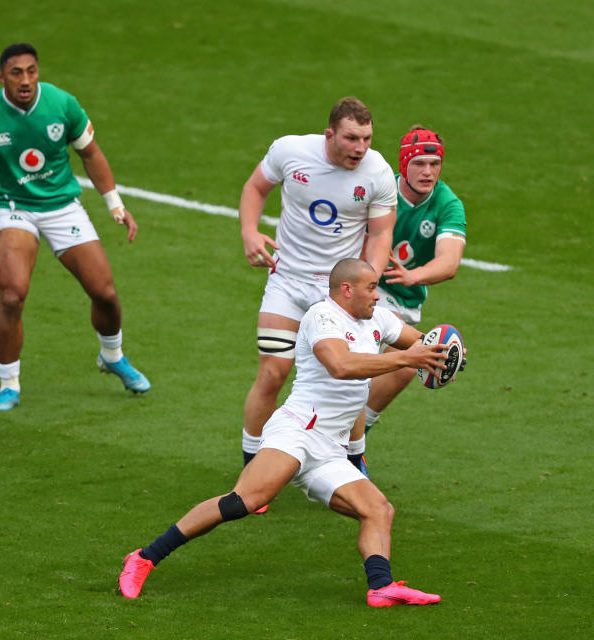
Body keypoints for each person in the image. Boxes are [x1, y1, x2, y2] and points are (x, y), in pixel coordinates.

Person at [119, 259, 447, 606]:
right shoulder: (322, 317)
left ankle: (381, 586)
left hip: (329, 448)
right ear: (346, 290)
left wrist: (446, 353)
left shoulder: (378, 318)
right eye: (370, 288)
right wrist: (407, 359)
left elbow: (424, 344)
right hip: (296, 431)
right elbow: (341, 365)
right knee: (245, 501)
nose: (378, 296)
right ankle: (144, 558)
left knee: (378, 510)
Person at [0, 43, 149, 411]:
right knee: (11, 296)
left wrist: (115, 204)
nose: (25, 80)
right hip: (16, 208)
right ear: (1, 76)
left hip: (63, 208)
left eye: (32, 71)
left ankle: (112, 356)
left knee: (105, 294)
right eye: (16, 72)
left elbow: (91, 154)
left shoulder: (62, 104)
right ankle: (9, 384)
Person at [238, 98, 396, 499]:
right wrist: (250, 232)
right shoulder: (291, 151)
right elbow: (256, 187)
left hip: (339, 293)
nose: (360, 148)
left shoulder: (377, 172)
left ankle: (353, 459)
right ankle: (251, 468)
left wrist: (367, 284)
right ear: (330, 135)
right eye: (351, 138)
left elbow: (379, 236)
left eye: (367, 138)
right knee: (273, 373)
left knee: (351, 378)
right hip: (287, 282)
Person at [346, 126, 466, 473]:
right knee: (359, 366)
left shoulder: (447, 203)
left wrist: (415, 275)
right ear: (404, 164)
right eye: (420, 164)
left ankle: (354, 438)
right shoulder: (382, 188)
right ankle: (350, 453)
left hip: (404, 297)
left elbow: (450, 261)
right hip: (362, 287)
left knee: (403, 368)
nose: (428, 172)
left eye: (434, 163)